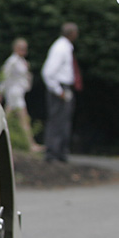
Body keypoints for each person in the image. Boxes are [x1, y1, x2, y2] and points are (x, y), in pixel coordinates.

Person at [41, 22, 81, 163]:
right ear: (71, 33)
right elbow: (48, 72)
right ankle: (52, 152)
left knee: (64, 120)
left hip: (65, 88)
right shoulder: (60, 48)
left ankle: (60, 152)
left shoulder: (66, 47)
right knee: (57, 120)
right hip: (60, 88)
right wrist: (59, 90)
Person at [0, 37, 42, 152]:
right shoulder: (12, 61)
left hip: (19, 92)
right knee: (23, 118)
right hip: (14, 93)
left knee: (6, 118)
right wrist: (0, 93)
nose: (23, 51)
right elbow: (5, 77)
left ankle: (0, 140)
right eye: (21, 48)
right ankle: (31, 144)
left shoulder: (22, 61)